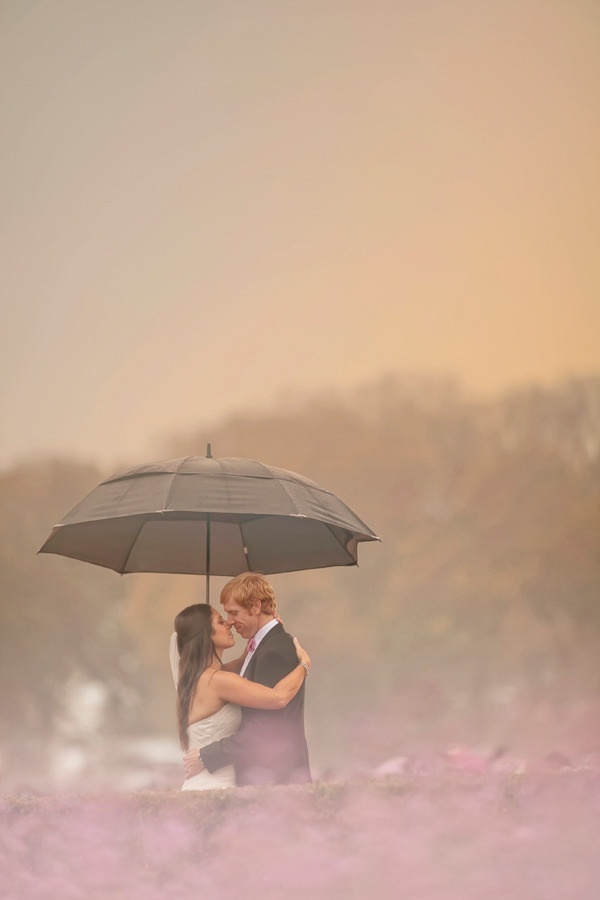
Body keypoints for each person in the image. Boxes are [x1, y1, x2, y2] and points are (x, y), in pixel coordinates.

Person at [182, 572, 312, 786]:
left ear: (256, 607)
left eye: (234, 613)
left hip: (274, 780)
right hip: (262, 778)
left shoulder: (274, 651)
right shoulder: (260, 648)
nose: (230, 622)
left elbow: (264, 728)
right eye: (225, 616)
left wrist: (207, 755)